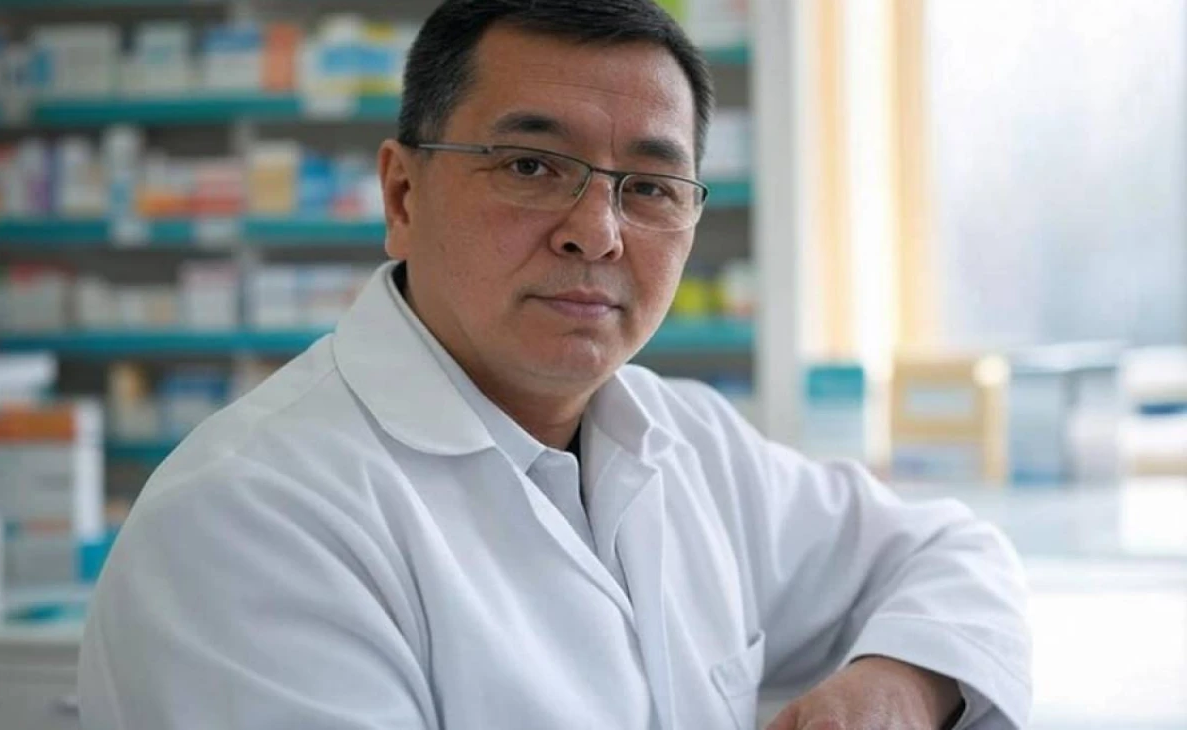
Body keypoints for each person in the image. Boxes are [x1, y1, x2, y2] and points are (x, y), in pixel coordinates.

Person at [77, 1, 1031, 728]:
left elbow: (952, 554)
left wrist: (899, 682)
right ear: (403, 195)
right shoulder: (247, 520)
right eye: (531, 167)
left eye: (650, 186)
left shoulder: (688, 440)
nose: (597, 233)